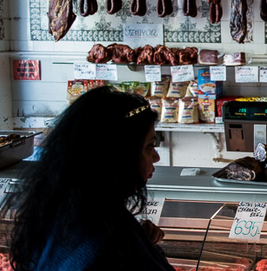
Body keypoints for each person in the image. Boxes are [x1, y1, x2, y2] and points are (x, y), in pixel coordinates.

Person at [2, 87, 175, 271]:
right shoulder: (103, 245)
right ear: (120, 155)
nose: (156, 157)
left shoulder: (64, 213)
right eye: (149, 146)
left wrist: (143, 244)